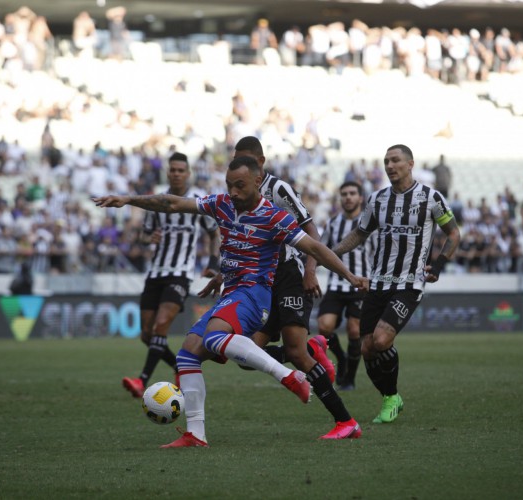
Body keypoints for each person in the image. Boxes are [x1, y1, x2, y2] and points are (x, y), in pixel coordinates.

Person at [93, 155, 368, 447]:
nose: (233, 192)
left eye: (240, 186)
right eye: (229, 185)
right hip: (232, 293)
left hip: (255, 294)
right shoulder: (222, 204)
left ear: (258, 182)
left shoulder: (274, 217)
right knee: (187, 355)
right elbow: (172, 203)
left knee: (214, 339)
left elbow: (315, 246)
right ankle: (195, 434)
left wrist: (350, 276)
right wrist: (127, 199)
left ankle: (289, 376)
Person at [200, 136, 361, 439]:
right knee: (247, 356)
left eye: (247, 161)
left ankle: (345, 422)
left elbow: (310, 230)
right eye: (237, 161)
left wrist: (310, 271)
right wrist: (223, 276)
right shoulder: (235, 198)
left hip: (288, 274)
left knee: (298, 354)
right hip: (258, 280)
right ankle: (311, 348)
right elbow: (242, 244)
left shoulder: (279, 189)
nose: (241, 170)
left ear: (260, 164)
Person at [332, 144, 461, 424]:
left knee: (380, 340)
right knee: (366, 348)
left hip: (409, 283)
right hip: (378, 282)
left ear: (410, 163)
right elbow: (359, 234)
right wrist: (330, 253)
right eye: (386, 161)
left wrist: (438, 265)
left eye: (395, 160)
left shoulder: (431, 198)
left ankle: (390, 397)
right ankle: (391, 397)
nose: (390, 166)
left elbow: (453, 233)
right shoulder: (377, 200)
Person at [121, 152, 220, 399]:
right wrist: (148, 238)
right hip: (156, 271)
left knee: (161, 325)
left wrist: (213, 262)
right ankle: (179, 368)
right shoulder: (157, 201)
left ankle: (142, 380)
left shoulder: (198, 200)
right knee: (147, 334)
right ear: (168, 172)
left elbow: (213, 233)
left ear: (188, 174)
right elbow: (144, 235)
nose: (176, 173)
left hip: (181, 273)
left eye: (180, 170)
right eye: (172, 170)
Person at [317, 181, 371, 391]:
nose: (348, 197)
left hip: (360, 285)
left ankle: (349, 378)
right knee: (324, 327)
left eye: (352, 193)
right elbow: (321, 249)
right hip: (337, 284)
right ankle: (342, 358)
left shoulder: (369, 225)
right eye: (344, 194)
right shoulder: (333, 223)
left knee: (354, 331)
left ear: (360, 198)